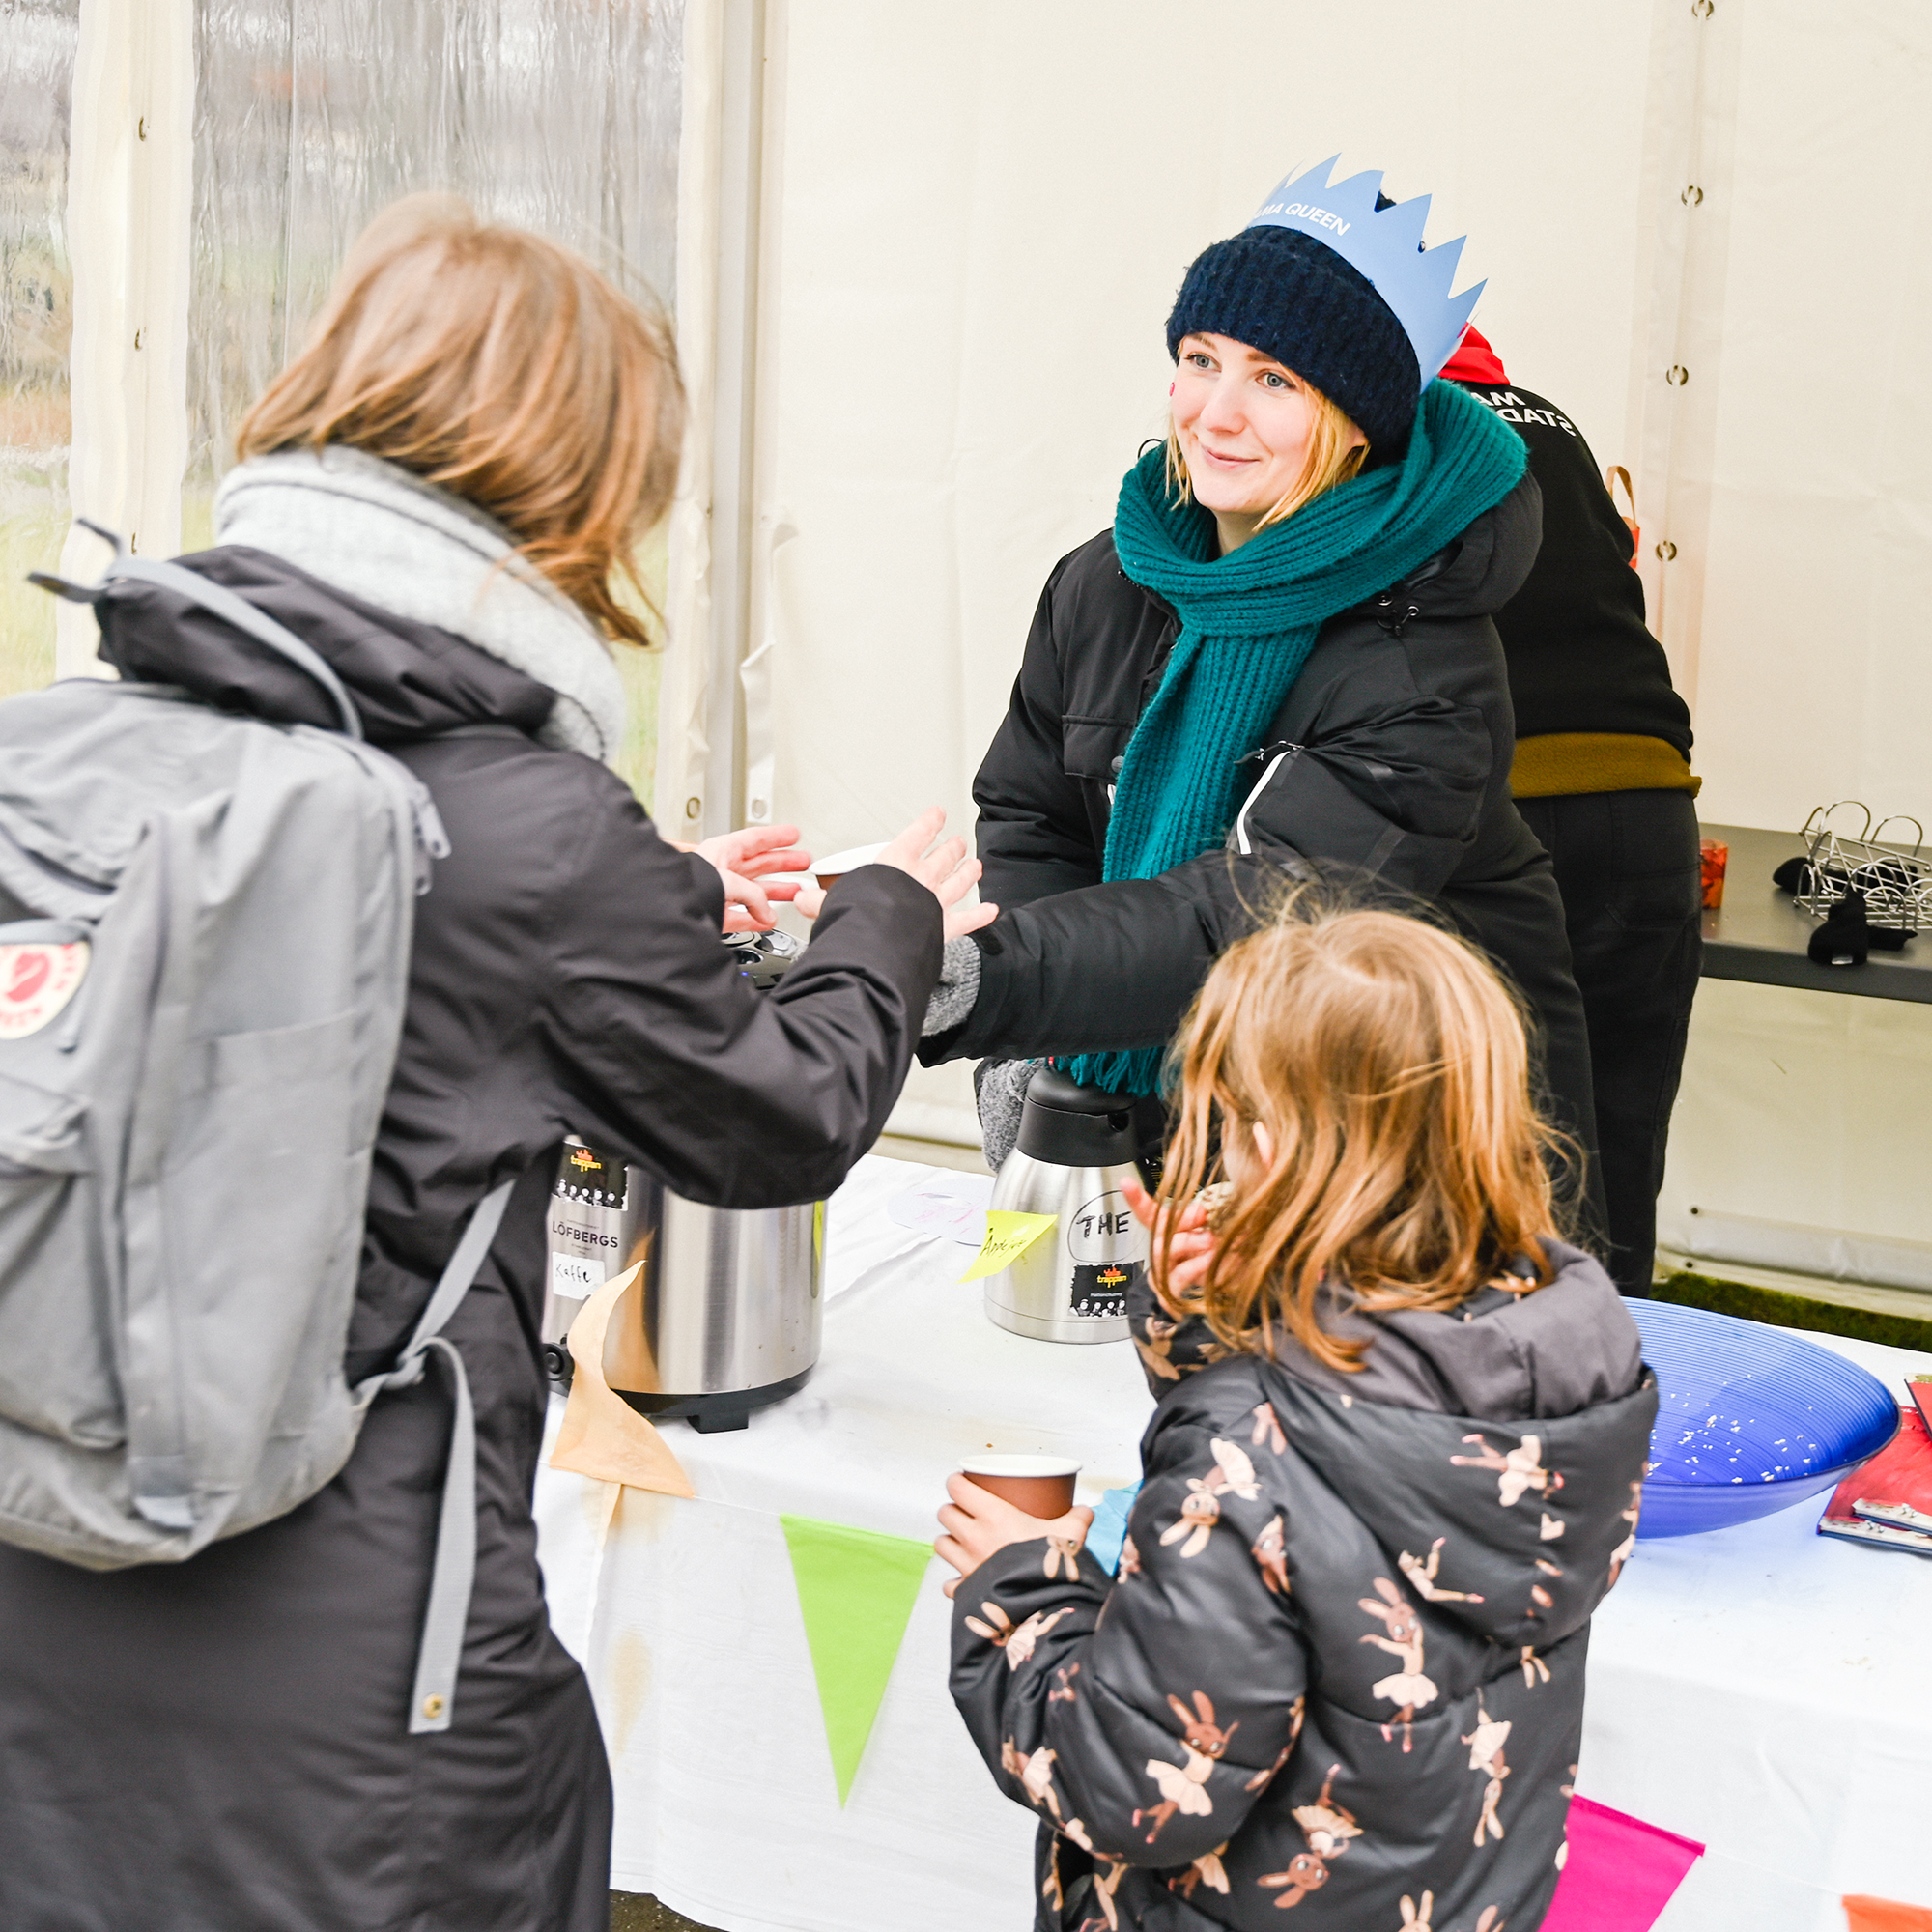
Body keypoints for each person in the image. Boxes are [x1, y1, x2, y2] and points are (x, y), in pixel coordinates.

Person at [0, 197, 987, 1932]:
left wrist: (664, 886)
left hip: (44, 1591)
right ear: (574, 485)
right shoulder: (532, 830)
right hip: (364, 1682)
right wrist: (889, 917)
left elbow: (392, 963)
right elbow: (786, 1114)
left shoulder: (102, 733)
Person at [935, 899, 1657, 1932]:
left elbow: (1133, 1789)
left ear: (1269, 1142)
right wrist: (1214, 1326)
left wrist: (1018, 1590)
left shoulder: (1242, 1452)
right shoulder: (1563, 1339)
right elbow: (1351, 1461)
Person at [914, 167, 1600, 1233]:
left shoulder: (1420, 663)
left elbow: (1256, 918)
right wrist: (1037, 1043)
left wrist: (976, 981)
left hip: (1394, 1134)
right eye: (1198, 361)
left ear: (1354, 419)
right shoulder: (1102, 583)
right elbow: (1034, 813)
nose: (1216, 413)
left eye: (1274, 379)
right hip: (1179, 1110)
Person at [1441, 325, 1701, 1293]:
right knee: (1618, 1137)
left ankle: (1486, 1409)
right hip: (1647, 800)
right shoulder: (1552, 426)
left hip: (1503, 819)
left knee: (1482, 1140)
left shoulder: (1391, 432)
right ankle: (1616, 1381)